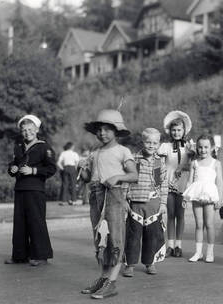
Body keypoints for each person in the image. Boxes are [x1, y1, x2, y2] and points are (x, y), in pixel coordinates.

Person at [78, 109, 138, 299]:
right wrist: (83, 169)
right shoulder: (94, 152)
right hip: (96, 196)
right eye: (99, 129)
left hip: (114, 195)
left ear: (116, 131)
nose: (102, 133)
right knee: (100, 239)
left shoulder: (123, 151)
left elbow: (134, 175)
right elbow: (88, 178)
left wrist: (118, 177)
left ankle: (111, 282)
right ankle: (103, 278)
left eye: (107, 129)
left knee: (115, 240)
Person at [5, 114, 56, 267]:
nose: (27, 133)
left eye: (30, 129)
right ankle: (19, 256)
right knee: (19, 223)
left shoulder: (44, 147)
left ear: (37, 129)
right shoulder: (18, 147)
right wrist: (12, 169)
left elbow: (51, 168)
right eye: (24, 130)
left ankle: (41, 255)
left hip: (35, 189)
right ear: (21, 132)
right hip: (20, 189)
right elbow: (13, 164)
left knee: (36, 221)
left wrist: (33, 171)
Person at [122, 128, 168, 277]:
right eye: (148, 142)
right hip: (135, 204)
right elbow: (126, 181)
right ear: (142, 142)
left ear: (159, 144)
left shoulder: (160, 162)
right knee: (133, 236)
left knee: (152, 235)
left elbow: (164, 184)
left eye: (155, 143)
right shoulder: (134, 160)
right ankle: (130, 264)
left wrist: (163, 204)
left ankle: (150, 262)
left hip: (153, 204)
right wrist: (124, 199)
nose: (151, 145)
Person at [158, 111, 194, 258]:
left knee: (181, 215)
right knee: (170, 215)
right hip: (168, 183)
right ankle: (170, 245)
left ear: (184, 130)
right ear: (169, 131)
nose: (176, 132)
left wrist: (186, 163)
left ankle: (179, 245)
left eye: (179, 130)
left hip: (183, 184)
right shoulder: (165, 146)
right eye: (174, 130)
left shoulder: (189, 147)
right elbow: (159, 164)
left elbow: (194, 164)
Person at [183, 134, 223, 263]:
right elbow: (190, 181)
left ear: (212, 147)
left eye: (206, 147)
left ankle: (210, 252)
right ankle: (198, 252)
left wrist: (220, 199)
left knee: (209, 224)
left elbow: (220, 182)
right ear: (197, 148)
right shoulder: (194, 163)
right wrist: (185, 197)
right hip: (197, 195)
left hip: (210, 195)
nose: (203, 150)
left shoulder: (216, 163)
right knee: (199, 224)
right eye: (200, 147)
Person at [57, 141, 79, 206]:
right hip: (72, 168)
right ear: (71, 147)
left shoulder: (63, 153)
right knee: (73, 185)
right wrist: (75, 169)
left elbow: (58, 163)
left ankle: (63, 201)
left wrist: (62, 168)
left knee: (65, 184)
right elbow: (77, 163)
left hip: (65, 168)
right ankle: (74, 200)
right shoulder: (74, 154)